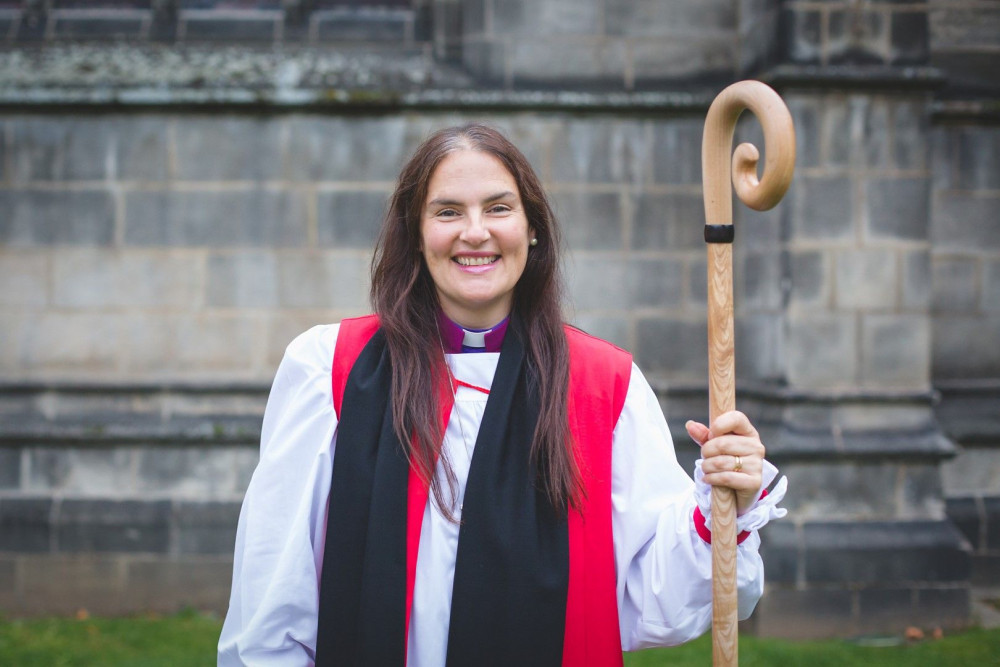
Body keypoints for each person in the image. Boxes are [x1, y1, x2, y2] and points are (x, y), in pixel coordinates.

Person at [217, 124, 787, 667]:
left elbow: (654, 600)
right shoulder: (331, 370)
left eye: (497, 208)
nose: (475, 232)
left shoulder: (602, 386)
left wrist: (719, 509)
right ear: (415, 234)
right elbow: (273, 595)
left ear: (532, 227)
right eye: (447, 212)